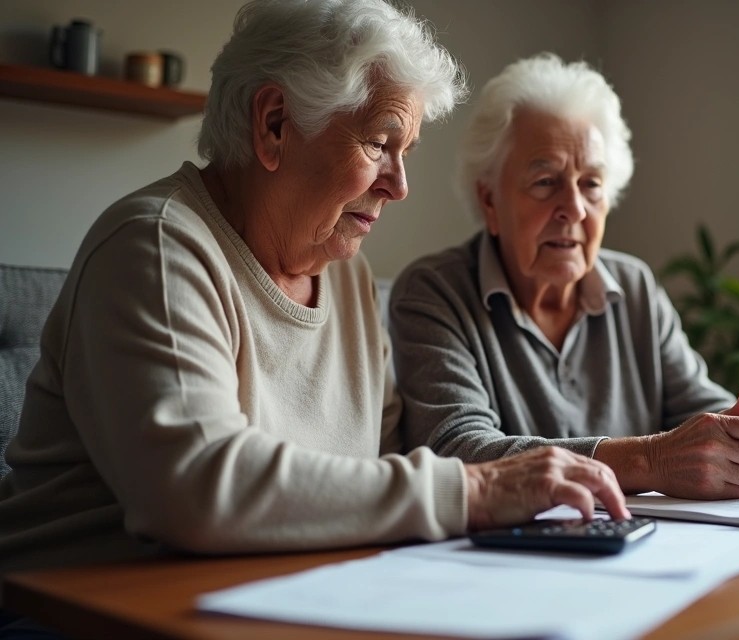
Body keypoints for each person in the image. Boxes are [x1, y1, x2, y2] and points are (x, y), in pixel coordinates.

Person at [0, 2, 629, 623]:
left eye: (405, 151)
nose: (399, 185)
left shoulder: (345, 274)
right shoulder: (156, 247)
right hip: (76, 614)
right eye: (380, 144)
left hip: (272, 600)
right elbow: (197, 491)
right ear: (274, 124)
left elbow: (387, 469)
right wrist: (479, 490)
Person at [390, 53, 739, 500]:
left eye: (591, 184)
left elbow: (703, 410)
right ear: (490, 200)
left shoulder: (633, 286)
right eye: (545, 182)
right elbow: (458, 451)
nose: (574, 209)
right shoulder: (435, 292)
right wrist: (650, 460)